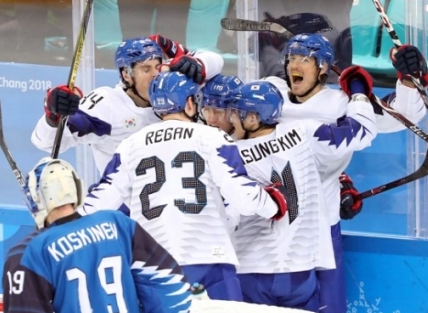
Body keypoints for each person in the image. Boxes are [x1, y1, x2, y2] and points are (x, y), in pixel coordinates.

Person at [198, 33, 427, 313]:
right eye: (291, 58)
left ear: (322, 68)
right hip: (259, 228)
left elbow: (403, 115)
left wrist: (408, 80)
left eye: (304, 59)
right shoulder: (270, 91)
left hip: (317, 226)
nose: (295, 64)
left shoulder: (340, 103)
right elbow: (224, 107)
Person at [79, 71, 289, 302]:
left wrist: (60, 223)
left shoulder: (130, 145)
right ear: (190, 103)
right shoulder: (212, 138)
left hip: (151, 265)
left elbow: (102, 199)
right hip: (209, 259)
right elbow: (242, 195)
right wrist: (272, 205)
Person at [227, 77, 376, 312]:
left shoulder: (229, 154)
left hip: (253, 269)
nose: (230, 118)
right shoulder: (305, 132)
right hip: (302, 270)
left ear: (253, 119)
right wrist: (358, 94)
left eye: (235, 112)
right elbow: (361, 131)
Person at [3, 157, 192, 313]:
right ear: (76, 188)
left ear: (34, 199)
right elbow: (171, 284)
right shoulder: (118, 223)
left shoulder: (28, 253)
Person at [31, 36, 223, 174]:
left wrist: (197, 62)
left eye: (157, 67)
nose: (155, 75)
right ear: (126, 75)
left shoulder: (173, 88)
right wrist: (53, 116)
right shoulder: (107, 107)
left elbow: (216, 61)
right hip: (126, 217)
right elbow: (45, 143)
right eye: (145, 69)